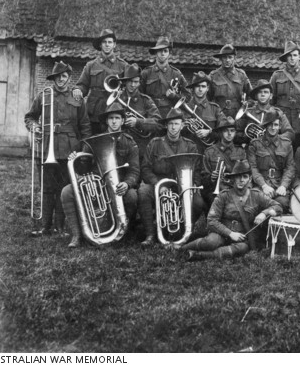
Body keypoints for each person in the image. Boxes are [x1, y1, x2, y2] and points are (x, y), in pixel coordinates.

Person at [25, 61, 92, 236]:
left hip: (69, 149)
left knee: (64, 188)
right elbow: (30, 117)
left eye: (64, 76)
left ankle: (60, 227)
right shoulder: (44, 96)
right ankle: (45, 226)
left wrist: (83, 149)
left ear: (69, 78)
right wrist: (35, 127)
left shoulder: (77, 97)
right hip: (48, 147)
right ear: (53, 78)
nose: (61, 79)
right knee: (47, 188)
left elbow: (85, 125)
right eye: (57, 77)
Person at [61, 103, 140, 248]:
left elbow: (134, 171)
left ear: (122, 121)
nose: (114, 121)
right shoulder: (94, 141)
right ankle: (78, 234)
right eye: (111, 118)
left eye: (117, 118)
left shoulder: (130, 142)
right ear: (106, 121)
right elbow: (83, 167)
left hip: (119, 186)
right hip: (98, 185)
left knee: (132, 196)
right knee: (67, 192)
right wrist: (76, 159)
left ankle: (124, 231)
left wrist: (127, 183)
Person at [181, 160, 283, 261]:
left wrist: (263, 213)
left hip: (242, 237)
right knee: (211, 242)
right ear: (233, 179)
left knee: (242, 248)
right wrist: (230, 233)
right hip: (221, 233)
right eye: (238, 177)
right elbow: (211, 221)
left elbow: (278, 206)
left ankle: (198, 255)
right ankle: (182, 248)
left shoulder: (256, 195)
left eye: (245, 177)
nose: (241, 180)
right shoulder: (224, 195)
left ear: (250, 179)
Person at [138, 108, 205, 246]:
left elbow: (197, 170)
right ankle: (150, 234)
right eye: (170, 124)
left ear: (182, 125)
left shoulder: (190, 145)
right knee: (143, 192)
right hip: (159, 183)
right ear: (166, 126)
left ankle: (184, 229)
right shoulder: (155, 143)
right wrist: (158, 184)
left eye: (176, 124)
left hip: (183, 185)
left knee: (198, 203)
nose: (173, 127)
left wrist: (194, 186)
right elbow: (145, 168)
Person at [73, 29, 128, 134]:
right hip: (95, 112)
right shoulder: (91, 65)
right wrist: (77, 90)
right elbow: (82, 85)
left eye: (110, 42)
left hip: (114, 110)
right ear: (100, 45)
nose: (107, 45)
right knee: (94, 141)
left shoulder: (123, 65)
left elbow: (128, 86)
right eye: (104, 42)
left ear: (114, 44)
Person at [270, 40, 300, 145]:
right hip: (283, 123)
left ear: (299, 57)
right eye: (289, 55)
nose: (292, 58)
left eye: (295, 55)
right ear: (285, 58)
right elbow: (271, 102)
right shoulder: (277, 76)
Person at [247, 109, 296, 212]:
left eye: (276, 125)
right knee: (255, 203)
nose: (273, 128)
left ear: (280, 126)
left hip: (279, 185)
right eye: (270, 125)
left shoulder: (286, 144)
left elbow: (290, 168)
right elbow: (253, 168)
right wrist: (263, 185)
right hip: (261, 185)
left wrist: (283, 186)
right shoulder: (255, 144)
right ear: (265, 126)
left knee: (283, 203)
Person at [116, 63, 162, 158]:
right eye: (130, 81)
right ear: (125, 82)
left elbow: (158, 123)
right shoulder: (117, 99)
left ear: (140, 82)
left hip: (140, 146)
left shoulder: (146, 100)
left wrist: (138, 122)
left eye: (136, 82)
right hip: (120, 146)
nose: (133, 85)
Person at [140, 36, 190, 119]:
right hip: (151, 115)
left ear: (169, 53)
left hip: (170, 116)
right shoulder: (146, 73)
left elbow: (188, 96)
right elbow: (139, 95)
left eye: (165, 51)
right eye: (160, 51)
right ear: (156, 52)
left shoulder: (176, 74)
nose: (162, 53)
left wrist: (175, 96)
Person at [236, 78, 294, 146]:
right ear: (256, 96)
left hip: (272, 150)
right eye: (260, 92)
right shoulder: (247, 113)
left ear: (271, 96)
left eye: (266, 92)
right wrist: (247, 136)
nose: (263, 94)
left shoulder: (278, 113)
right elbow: (236, 135)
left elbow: (290, 133)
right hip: (252, 149)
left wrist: (275, 138)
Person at [201, 116, 247, 201]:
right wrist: (211, 177)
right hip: (216, 192)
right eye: (226, 131)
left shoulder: (240, 151)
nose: (229, 134)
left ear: (235, 132)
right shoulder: (209, 151)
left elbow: (246, 174)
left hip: (236, 189)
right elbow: (203, 177)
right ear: (220, 133)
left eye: (232, 131)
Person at [180, 71, 223, 154]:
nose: (200, 89)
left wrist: (209, 132)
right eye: (197, 86)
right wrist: (182, 127)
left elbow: (223, 131)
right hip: (189, 152)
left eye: (203, 86)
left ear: (207, 88)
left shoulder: (215, 109)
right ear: (193, 88)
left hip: (210, 153)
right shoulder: (184, 108)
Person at [208, 43, 253, 119]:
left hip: (237, 115)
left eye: (230, 57)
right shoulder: (213, 75)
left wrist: (246, 105)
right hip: (219, 115)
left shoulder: (241, 75)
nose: (227, 60)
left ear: (234, 58)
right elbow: (207, 97)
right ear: (221, 59)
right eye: (224, 57)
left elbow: (252, 96)